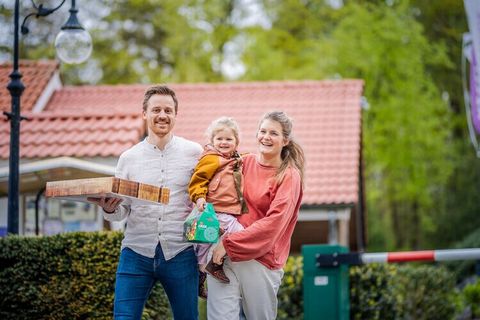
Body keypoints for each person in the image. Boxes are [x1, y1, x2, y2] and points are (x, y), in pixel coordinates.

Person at [88, 85, 203, 320]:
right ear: (145, 114)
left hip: (180, 252)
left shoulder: (194, 153)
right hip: (135, 252)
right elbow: (121, 209)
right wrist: (110, 209)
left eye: (168, 110)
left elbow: (203, 195)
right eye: (156, 109)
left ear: (175, 115)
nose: (162, 115)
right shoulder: (128, 158)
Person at [208, 111, 305, 320]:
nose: (266, 137)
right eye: (262, 131)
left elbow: (273, 224)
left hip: (259, 260)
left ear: (285, 140)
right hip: (221, 256)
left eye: (273, 133)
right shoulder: (242, 162)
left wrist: (229, 243)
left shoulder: (289, 176)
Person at [188, 117, 248, 298]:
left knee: (206, 243)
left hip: (226, 209)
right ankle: (215, 264)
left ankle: (200, 273)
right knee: (240, 233)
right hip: (215, 207)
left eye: (228, 139)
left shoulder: (236, 160)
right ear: (212, 141)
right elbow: (198, 180)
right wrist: (199, 198)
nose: (223, 142)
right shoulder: (212, 159)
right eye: (219, 139)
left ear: (236, 142)